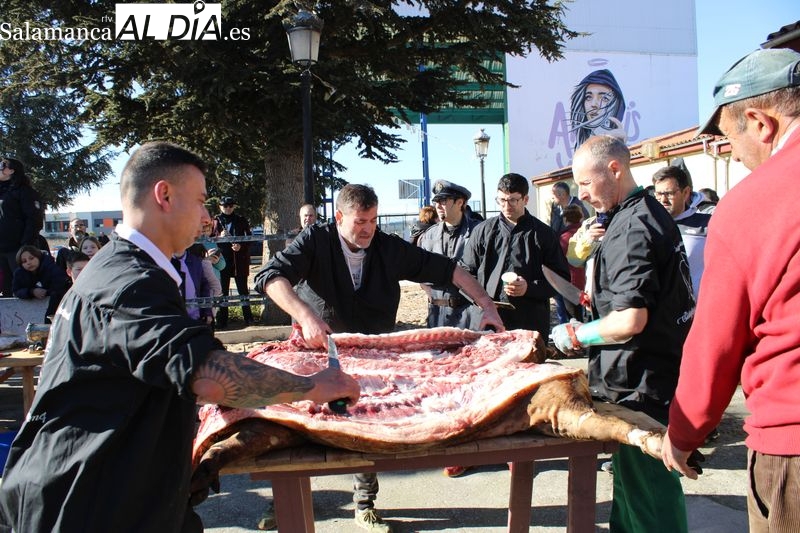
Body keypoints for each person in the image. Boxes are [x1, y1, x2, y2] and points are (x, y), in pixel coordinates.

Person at [0, 141, 360, 533]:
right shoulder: (129, 283)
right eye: (201, 201)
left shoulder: (122, 268)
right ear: (164, 195)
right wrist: (313, 386)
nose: (207, 217)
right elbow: (204, 375)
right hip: (85, 503)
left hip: (123, 495)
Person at [253, 183, 504, 533]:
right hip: (317, 351)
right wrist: (306, 315)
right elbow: (270, 276)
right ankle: (283, 503)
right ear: (339, 217)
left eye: (373, 220)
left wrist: (488, 306)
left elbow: (449, 271)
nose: (368, 229)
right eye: (360, 222)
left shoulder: (387, 246)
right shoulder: (315, 240)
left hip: (372, 355)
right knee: (299, 426)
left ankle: (365, 504)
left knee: (365, 423)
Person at [662, 48, 800, 532]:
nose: (731, 156)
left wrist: (682, 432)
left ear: (761, 123)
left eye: (728, 139)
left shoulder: (752, 203)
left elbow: (716, 341)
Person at [550, 135, 695, 533]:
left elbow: (631, 319)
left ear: (614, 169)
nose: (581, 195)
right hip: (643, 376)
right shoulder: (642, 212)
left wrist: (579, 334)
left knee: (650, 495)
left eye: (585, 183)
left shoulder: (633, 227)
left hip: (641, 386)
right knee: (631, 491)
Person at [460, 172, 570, 340]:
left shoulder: (544, 234)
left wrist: (529, 287)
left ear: (525, 200)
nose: (506, 206)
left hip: (529, 321)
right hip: (486, 319)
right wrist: (479, 300)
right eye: (502, 200)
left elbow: (561, 279)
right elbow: (465, 273)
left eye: (513, 200)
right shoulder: (482, 231)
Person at [418, 179, 482, 331]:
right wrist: (433, 295)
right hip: (437, 315)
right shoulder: (428, 236)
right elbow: (420, 273)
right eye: (436, 201)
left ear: (460, 202)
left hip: (470, 314)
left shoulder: (478, 232)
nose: (438, 206)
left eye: (443, 201)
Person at [652, 164, 711, 300]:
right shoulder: (649, 226)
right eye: (658, 194)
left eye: (669, 193)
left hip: (698, 311)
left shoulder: (707, 224)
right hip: (665, 313)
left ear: (686, 193)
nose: (663, 200)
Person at [0, 157, 44, 297]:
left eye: (2, 166)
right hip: (1, 249)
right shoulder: (2, 191)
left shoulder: (25, 191)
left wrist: (25, 245)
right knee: (6, 289)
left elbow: (34, 219)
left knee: (23, 286)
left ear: (11, 170)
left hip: (18, 250)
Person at [549, 181, 590, 323]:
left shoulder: (579, 210)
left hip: (570, 277)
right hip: (572, 277)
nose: (552, 199)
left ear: (562, 194)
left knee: (572, 314)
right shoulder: (555, 208)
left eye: (554, 195)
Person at [213, 196, 254, 328]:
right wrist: (220, 237)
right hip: (222, 261)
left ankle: (249, 319)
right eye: (225, 206)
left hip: (239, 261)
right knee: (222, 291)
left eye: (231, 205)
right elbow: (208, 238)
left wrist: (241, 246)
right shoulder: (215, 221)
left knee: (243, 291)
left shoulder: (241, 220)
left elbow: (249, 238)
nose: (228, 208)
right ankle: (222, 321)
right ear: (220, 206)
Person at [569, 69, 627, 152]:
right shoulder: (581, 145)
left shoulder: (617, 144)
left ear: (616, 106)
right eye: (588, 97)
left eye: (604, 98)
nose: (594, 104)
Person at [11, 244, 70, 322]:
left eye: (31, 258)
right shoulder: (19, 273)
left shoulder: (51, 267)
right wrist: (31, 292)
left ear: (38, 257)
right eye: (24, 261)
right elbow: (16, 290)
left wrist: (46, 292)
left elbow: (60, 285)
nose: (28, 262)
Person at [173, 245, 214, 326]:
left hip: (197, 318)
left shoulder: (195, 261)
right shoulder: (162, 262)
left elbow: (204, 287)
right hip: (176, 321)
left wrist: (207, 312)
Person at [558, 204, 586, 321]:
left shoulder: (563, 237)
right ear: (581, 218)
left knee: (573, 319)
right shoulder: (586, 235)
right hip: (587, 281)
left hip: (569, 283)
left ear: (565, 219)